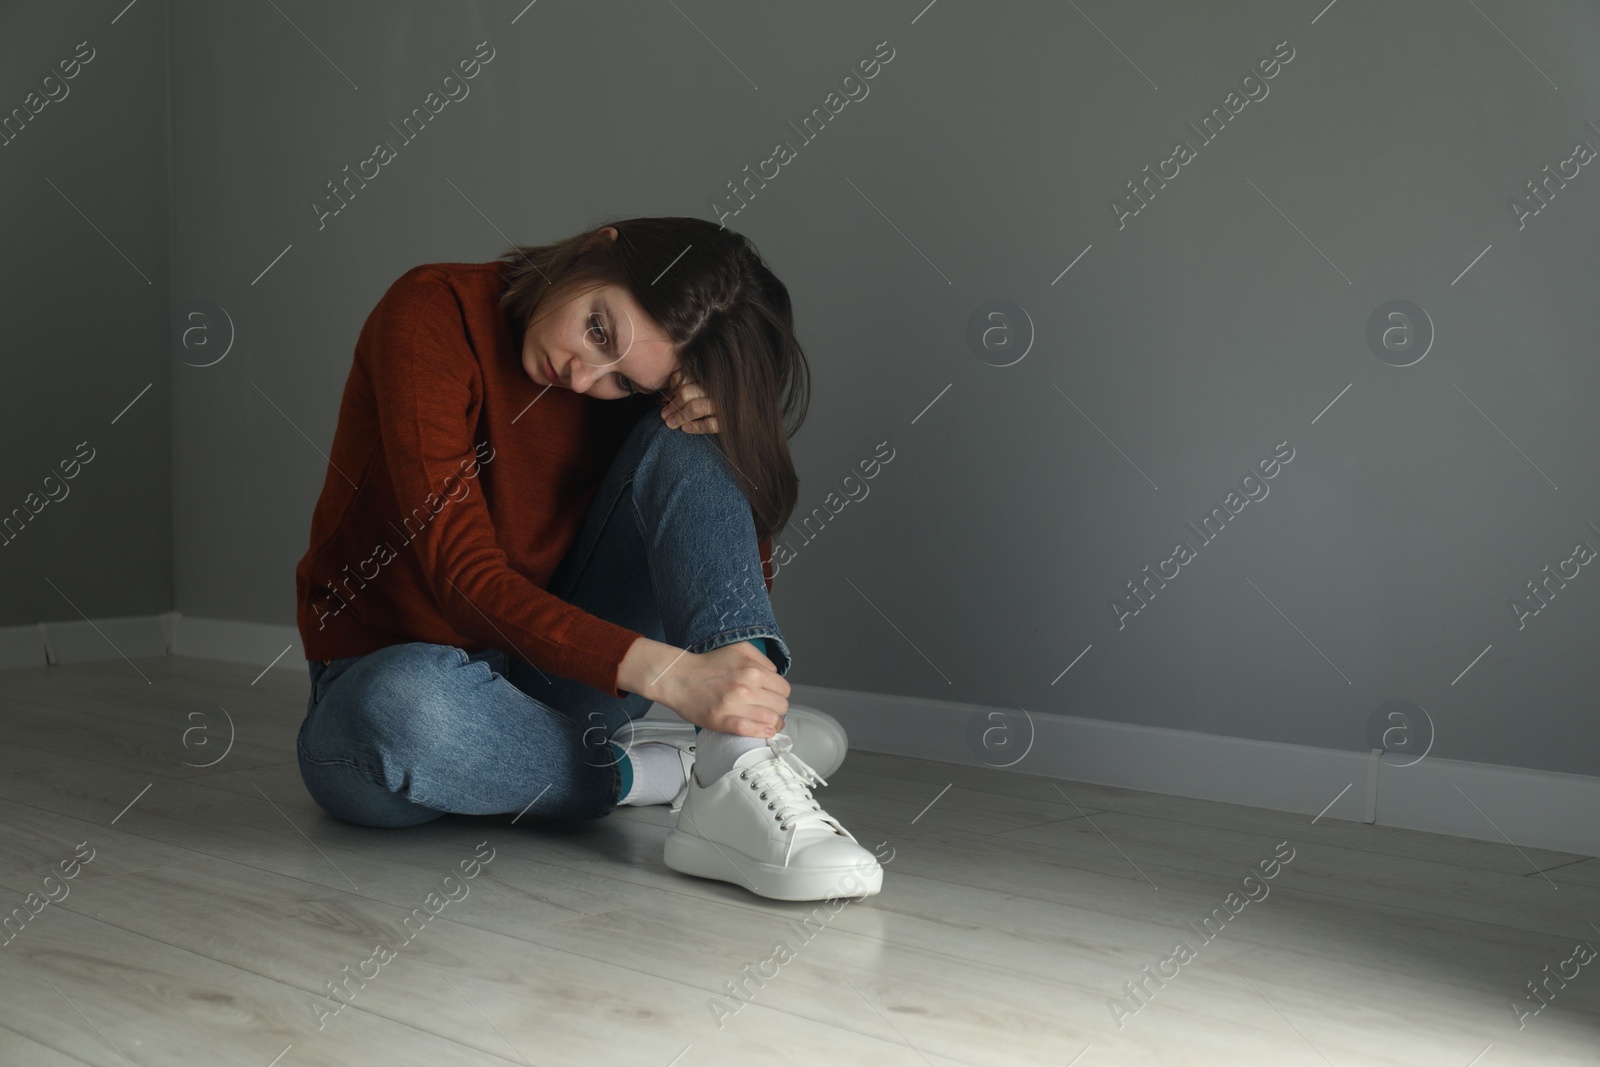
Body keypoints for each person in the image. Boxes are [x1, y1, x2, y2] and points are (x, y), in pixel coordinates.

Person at [291, 216, 883, 902]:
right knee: (400, 708)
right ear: (598, 247)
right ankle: (653, 772)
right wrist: (673, 676)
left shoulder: (645, 385)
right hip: (395, 694)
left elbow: (718, 558)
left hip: (557, 673)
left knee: (693, 438)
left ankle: (736, 756)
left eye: (622, 383)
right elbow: (464, 578)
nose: (581, 376)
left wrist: (719, 420)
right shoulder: (432, 311)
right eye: (599, 330)